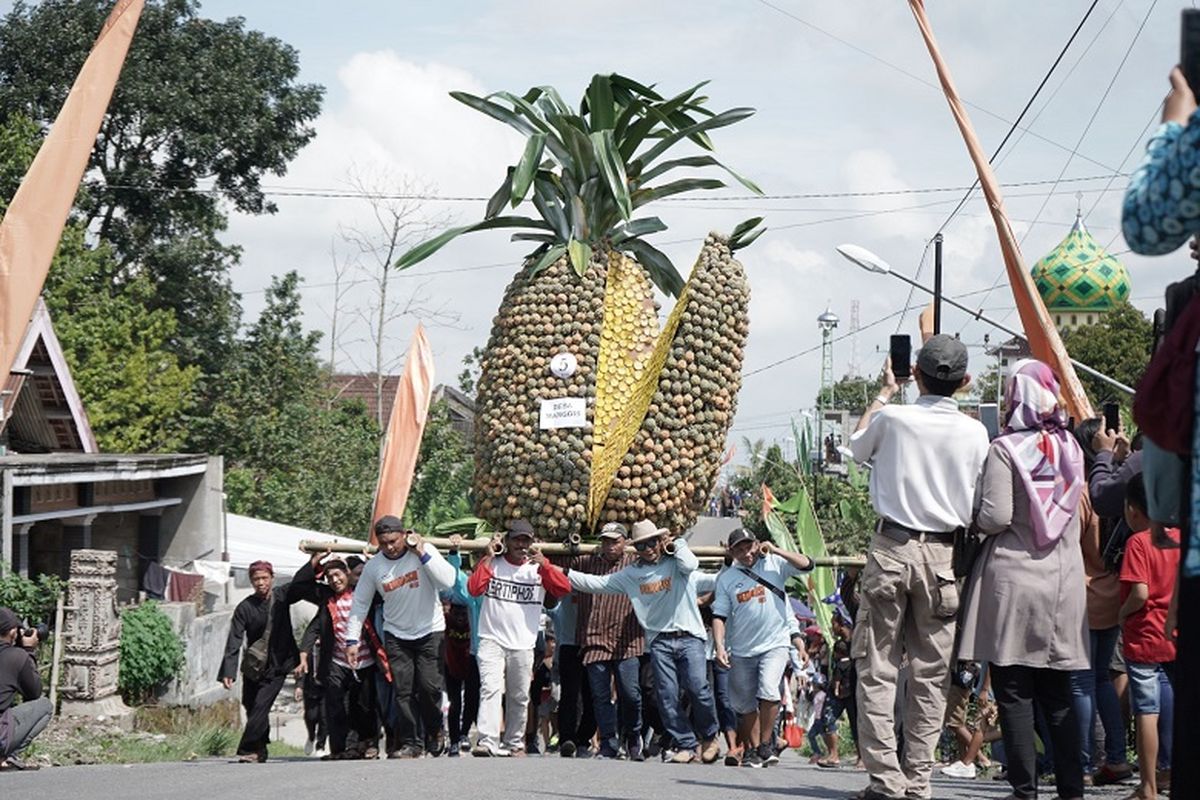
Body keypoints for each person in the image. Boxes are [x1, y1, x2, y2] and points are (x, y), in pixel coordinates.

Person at [847, 335, 989, 800]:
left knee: (877, 668)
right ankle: (918, 781)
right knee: (931, 675)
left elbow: (855, 448)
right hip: (945, 557)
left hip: (891, 547)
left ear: (915, 375)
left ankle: (885, 780)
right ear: (965, 382)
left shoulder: (893, 417)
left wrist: (887, 390)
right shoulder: (975, 431)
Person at [957, 359, 1090, 800]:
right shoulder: (1072, 447)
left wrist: (972, 515)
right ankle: (1072, 787)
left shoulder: (1005, 448)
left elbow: (995, 516)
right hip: (1064, 583)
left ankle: (1025, 789)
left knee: (1014, 691)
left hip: (1015, 578)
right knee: (1058, 693)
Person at [568, 519, 721, 764]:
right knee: (666, 696)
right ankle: (686, 743)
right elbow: (597, 584)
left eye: (652, 542)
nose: (648, 549)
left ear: (661, 541)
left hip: (690, 636)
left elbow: (691, 564)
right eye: (641, 546)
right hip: (659, 641)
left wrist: (677, 544)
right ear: (634, 549)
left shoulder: (676, 564)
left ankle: (710, 736)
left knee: (697, 687)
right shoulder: (632, 575)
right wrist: (562, 572)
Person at [345, 516, 457, 759]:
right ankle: (411, 743)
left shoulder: (424, 551)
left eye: (394, 541)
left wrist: (422, 554)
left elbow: (448, 581)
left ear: (404, 535)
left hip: (430, 631)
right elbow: (360, 604)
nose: (390, 547)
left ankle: (435, 730)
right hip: (397, 634)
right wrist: (351, 640)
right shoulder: (374, 567)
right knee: (403, 692)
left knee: (429, 688)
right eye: (384, 543)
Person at [468, 520, 571, 757]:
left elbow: (563, 589)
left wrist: (545, 565)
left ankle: (514, 741)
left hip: (523, 642)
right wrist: (487, 557)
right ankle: (487, 740)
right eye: (516, 539)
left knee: (519, 694)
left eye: (526, 540)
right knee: (490, 689)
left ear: (532, 542)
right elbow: (474, 589)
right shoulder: (492, 563)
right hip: (491, 638)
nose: (521, 545)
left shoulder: (538, 568)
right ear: (507, 541)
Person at [711, 528, 813, 768]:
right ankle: (757, 750)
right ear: (732, 551)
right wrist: (719, 646)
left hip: (774, 644)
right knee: (745, 705)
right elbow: (719, 615)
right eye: (740, 548)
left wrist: (775, 548)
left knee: (769, 690)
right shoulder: (727, 579)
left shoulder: (775, 564)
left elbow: (807, 564)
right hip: (743, 649)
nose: (746, 553)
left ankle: (766, 743)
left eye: (749, 546)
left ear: (757, 545)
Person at [1071, 418, 1134, 785]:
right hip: (1114, 593)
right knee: (1103, 680)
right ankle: (1116, 757)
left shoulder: (1083, 493)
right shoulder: (1119, 488)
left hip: (1083, 593)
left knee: (1080, 682)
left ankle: (1081, 763)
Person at [1119, 474, 1180, 800]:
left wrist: (1123, 613)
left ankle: (1148, 787)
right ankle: (1169, 773)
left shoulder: (1139, 542)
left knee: (1146, 710)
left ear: (1132, 509)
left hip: (1144, 636)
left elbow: (1139, 592)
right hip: (1174, 635)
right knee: (1173, 701)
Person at [291, 554, 384, 760]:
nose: (334, 580)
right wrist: (315, 561)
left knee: (365, 705)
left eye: (338, 574)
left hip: (366, 660)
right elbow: (298, 587)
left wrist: (374, 562)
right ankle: (340, 748)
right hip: (337, 662)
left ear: (348, 574)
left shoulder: (364, 593)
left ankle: (368, 744)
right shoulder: (326, 598)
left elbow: (384, 584)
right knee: (336, 705)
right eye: (329, 577)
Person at [218, 559, 307, 762]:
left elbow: (300, 583)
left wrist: (314, 562)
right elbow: (234, 639)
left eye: (264, 578)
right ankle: (261, 748)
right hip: (254, 666)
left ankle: (248, 748)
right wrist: (228, 671)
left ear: (272, 578)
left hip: (278, 665)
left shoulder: (282, 596)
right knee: (250, 704)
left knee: (260, 706)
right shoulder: (245, 608)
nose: (260, 583)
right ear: (251, 581)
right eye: (256, 579)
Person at [571, 521, 646, 760]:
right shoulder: (586, 562)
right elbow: (561, 566)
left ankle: (633, 735)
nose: (610, 546)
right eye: (605, 541)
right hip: (594, 638)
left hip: (628, 639)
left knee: (630, 693)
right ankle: (608, 743)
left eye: (615, 541)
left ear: (625, 543)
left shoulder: (636, 565)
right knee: (600, 696)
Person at [546, 578, 596, 759]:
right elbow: (549, 603)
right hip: (569, 644)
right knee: (569, 695)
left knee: (593, 696)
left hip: (594, 644)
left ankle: (584, 739)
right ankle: (567, 739)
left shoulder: (598, 581)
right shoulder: (567, 580)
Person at [0, 608, 51, 771]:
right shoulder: (16, 657)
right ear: (13, 632)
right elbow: (34, 693)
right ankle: (7, 758)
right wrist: (28, 651)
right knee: (45, 706)